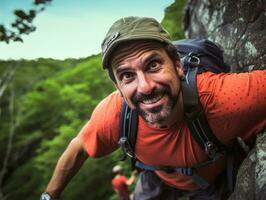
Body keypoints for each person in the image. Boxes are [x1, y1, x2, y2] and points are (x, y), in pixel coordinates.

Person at [40, 16, 266, 200]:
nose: (145, 87)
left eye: (153, 64)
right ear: (118, 88)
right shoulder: (114, 115)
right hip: (155, 175)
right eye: (127, 76)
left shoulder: (219, 99)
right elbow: (79, 146)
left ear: (177, 65)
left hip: (209, 183)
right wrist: (49, 196)